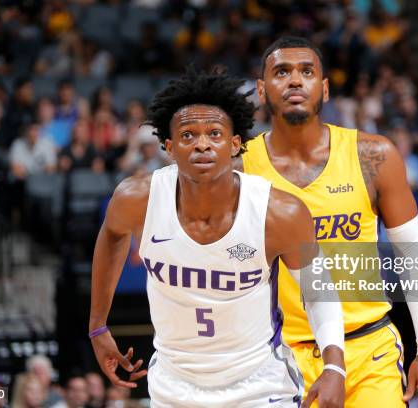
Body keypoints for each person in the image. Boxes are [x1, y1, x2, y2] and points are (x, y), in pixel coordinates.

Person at [89, 68, 346, 407]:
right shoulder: (137, 198)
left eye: (214, 133)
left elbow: (319, 293)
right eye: (188, 135)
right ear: (168, 146)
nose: (202, 144)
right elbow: (112, 235)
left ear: (235, 143)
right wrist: (98, 325)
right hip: (173, 384)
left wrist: (334, 367)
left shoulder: (279, 213)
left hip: (258, 384)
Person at [240, 36, 418, 407]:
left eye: (307, 72)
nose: (295, 81)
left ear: (325, 89)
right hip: (283, 356)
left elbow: (414, 256)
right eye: (282, 72)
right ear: (262, 90)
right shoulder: (240, 166)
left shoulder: (373, 155)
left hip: (370, 350)